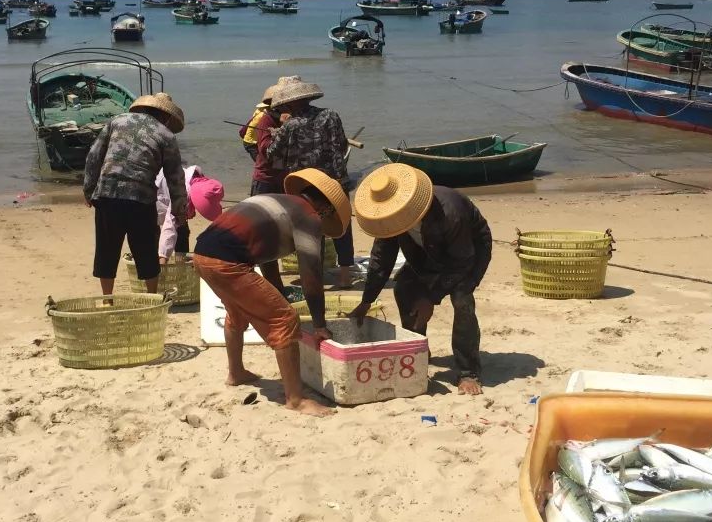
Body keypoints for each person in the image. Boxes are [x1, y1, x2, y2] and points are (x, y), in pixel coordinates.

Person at [192, 168, 352, 418]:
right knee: (285, 320)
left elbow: (266, 255)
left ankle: (236, 373)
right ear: (326, 208)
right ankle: (296, 400)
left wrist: (276, 291)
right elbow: (311, 274)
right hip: (227, 261)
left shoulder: (280, 202)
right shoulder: (308, 216)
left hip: (201, 254)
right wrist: (320, 324)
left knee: (237, 312)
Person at [347, 163, 492, 396]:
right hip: (426, 253)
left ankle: (468, 370)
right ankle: (417, 353)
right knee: (404, 287)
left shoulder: (449, 212)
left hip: (468, 253)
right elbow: (380, 259)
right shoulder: (391, 219)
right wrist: (367, 301)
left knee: (462, 299)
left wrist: (430, 298)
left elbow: (462, 262)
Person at [83, 93, 188, 295]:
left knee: (107, 249)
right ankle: (152, 297)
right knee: (146, 250)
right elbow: (175, 176)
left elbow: (94, 157)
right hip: (141, 198)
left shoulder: (116, 121)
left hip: (107, 194)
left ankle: (107, 299)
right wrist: (178, 209)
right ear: (166, 117)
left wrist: (89, 189)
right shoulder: (166, 135)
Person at [265, 78, 357, 288]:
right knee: (342, 224)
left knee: (313, 229)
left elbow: (272, 154)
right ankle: (345, 275)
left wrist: (276, 133)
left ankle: (316, 275)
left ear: (289, 104)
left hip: (308, 186)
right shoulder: (331, 115)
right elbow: (342, 145)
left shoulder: (291, 125)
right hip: (336, 180)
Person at [155, 166, 224, 264]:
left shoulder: (194, 179)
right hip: (150, 193)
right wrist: (163, 256)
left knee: (182, 229)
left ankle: (181, 264)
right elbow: (170, 226)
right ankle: (165, 265)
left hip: (163, 191)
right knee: (156, 234)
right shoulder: (182, 192)